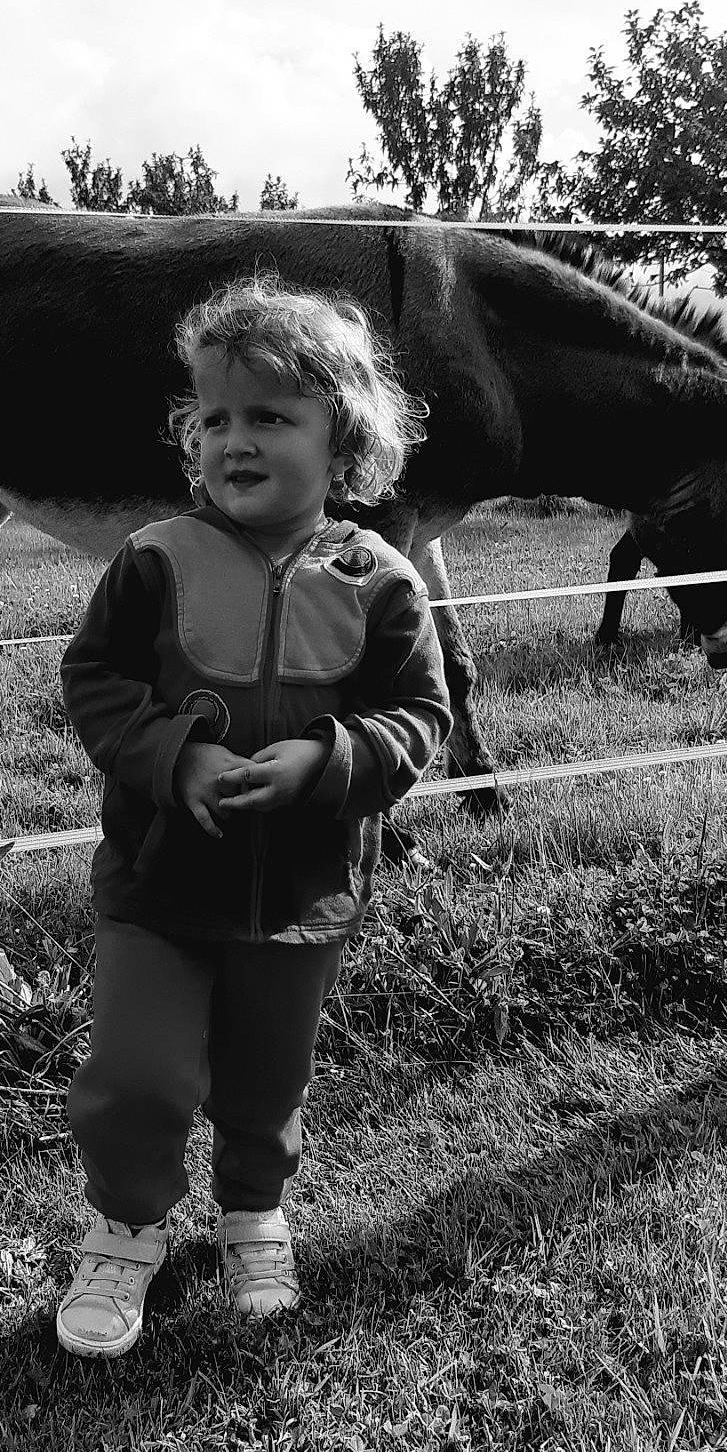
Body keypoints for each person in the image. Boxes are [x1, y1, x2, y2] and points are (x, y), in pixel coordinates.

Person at [54, 271, 453, 1358]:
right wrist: (171, 756)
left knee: (267, 1078)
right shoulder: (153, 558)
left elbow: (420, 714)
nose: (235, 437)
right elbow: (94, 681)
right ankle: (124, 1226)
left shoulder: (381, 581)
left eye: (271, 414)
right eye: (214, 415)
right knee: (139, 1071)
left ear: (347, 440)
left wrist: (329, 758)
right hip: (158, 883)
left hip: (303, 890)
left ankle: (251, 1213)